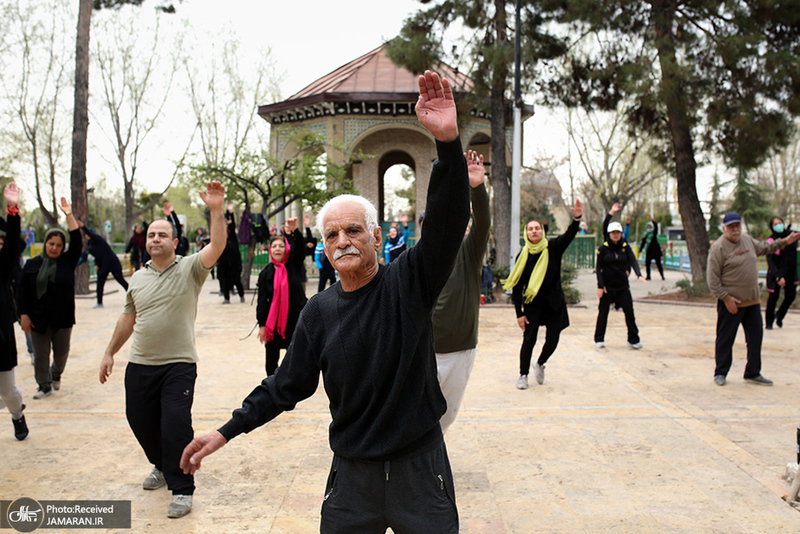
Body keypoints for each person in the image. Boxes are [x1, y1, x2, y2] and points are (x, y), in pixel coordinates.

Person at [179, 70, 468, 534]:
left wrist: (448, 143)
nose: (343, 241)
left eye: (354, 230)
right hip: (353, 478)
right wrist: (224, 431)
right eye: (332, 234)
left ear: (376, 237)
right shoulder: (318, 312)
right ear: (323, 246)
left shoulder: (409, 282)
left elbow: (448, 223)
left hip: (420, 471)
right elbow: (285, 386)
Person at [98, 181, 226, 519]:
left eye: (162, 235)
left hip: (178, 365)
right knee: (140, 422)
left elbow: (217, 244)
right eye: (151, 235)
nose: (155, 239)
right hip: (139, 364)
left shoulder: (189, 269)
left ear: (174, 241)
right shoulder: (137, 279)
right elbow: (128, 319)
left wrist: (216, 209)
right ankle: (160, 464)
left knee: (175, 425)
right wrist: (110, 351)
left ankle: (182, 488)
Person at [432, 149, 490, 435]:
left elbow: (482, 223)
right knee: (417, 413)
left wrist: (477, 188)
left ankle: (431, 460)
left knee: (446, 416)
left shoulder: (468, 252)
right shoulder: (417, 259)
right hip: (423, 350)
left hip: (459, 349)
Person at [707, 212, 800, 387]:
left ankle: (752, 372)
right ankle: (720, 372)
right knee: (725, 339)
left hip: (752, 301)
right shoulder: (718, 248)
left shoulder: (747, 240)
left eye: (737, 225)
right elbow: (712, 280)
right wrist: (726, 298)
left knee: (756, 337)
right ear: (724, 228)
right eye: (731, 226)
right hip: (731, 303)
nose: (735, 229)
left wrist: (786, 241)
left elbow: (765, 247)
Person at [503, 200, 583, 390]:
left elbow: (570, 234)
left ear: (542, 230)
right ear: (526, 233)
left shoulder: (553, 247)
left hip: (555, 304)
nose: (534, 232)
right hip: (532, 305)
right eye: (530, 229)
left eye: (537, 228)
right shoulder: (523, 255)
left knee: (553, 339)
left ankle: (540, 363)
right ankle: (523, 374)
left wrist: (577, 218)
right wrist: (518, 313)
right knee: (529, 341)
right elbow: (517, 287)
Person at [18, 198, 81, 400]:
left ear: (63, 247)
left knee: (62, 353)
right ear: (45, 244)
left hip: (62, 318)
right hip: (38, 318)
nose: (54, 248)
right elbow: (22, 292)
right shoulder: (33, 265)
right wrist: (24, 315)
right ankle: (43, 385)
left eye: (58, 245)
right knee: (40, 355)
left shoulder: (67, 262)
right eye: (50, 244)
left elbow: (77, 241)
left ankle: (56, 375)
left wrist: (68, 215)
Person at [256, 218, 307, 376]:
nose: (278, 249)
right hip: (274, 323)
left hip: (294, 320)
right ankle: (272, 389)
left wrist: (294, 232)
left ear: (286, 249)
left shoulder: (294, 265)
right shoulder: (266, 273)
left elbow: (300, 248)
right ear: (270, 250)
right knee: (271, 363)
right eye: (274, 246)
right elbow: (262, 302)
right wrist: (262, 324)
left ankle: (289, 388)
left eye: (281, 246)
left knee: (294, 360)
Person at [0, 183, 29, 440]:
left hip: (0, 337)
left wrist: (11, 211)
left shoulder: (2, 267)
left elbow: (12, 243)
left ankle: (17, 415)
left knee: (7, 390)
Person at [594, 221, 646, 349]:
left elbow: (632, 260)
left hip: (622, 285)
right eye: (613, 233)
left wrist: (638, 274)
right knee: (603, 312)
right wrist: (600, 286)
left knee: (629, 311)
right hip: (607, 286)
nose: (616, 235)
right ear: (609, 234)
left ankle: (633, 339)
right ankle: (599, 338)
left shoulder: (625, 246)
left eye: (618, 233)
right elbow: (599, 268)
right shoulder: (603, 249)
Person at [79, 222, 129, 308]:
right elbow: (91, 256)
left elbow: (105, 255)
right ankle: (99, 302)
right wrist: (96, 264)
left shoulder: (98, 239)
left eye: (87, 234)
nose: (86, 236)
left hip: (112, 263)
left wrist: (83, 227)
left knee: (120, 280)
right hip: (102, 265)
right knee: (100, 283)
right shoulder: (89, 245)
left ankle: (134, 297)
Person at [765, 216, 797, 330]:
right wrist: (778, 276)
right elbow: (770, 260)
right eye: (775, 224)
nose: (779, 225)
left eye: (780, 223)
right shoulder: (771, 240)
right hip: (776, 272)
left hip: (790, 272)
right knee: (773, 297)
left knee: (791, 296)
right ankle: (769, 322)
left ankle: (779, 315)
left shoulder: (791, 237)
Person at [218, 207, 244, 304]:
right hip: (224, 264)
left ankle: (242, 295)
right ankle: (226, 298)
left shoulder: (232, 238)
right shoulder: (220, 238)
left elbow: (232, 227)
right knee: (224, 281)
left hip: (234, 264)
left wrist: (230, 213)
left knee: (237, 281)